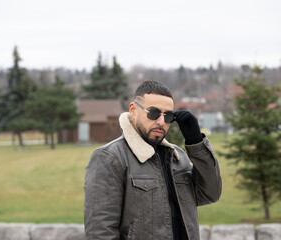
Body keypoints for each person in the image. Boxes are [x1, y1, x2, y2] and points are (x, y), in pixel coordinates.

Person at [84, 81, 222, 239]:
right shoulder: (110, 157)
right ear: (133, 110)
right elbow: (100, 233)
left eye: (168, 116)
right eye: (153, 113)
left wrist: (195, 142)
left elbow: (211, 193)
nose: (161, 122)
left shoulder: (177, 157)